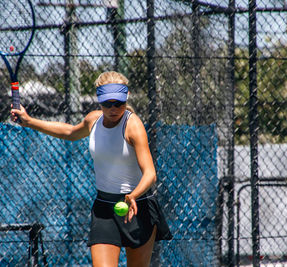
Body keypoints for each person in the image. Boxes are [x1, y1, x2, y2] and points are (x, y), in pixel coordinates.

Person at [11, 71, 172, 267]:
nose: (113, 108)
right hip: (104, 209)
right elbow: (70, 132)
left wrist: (133, 195)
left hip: (137, 208)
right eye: (107, 103)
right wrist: (29, 121)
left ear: (126, 97)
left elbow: (150, 173)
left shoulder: (133, 125)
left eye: (118, 103)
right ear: (99, 99)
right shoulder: (93, 120)